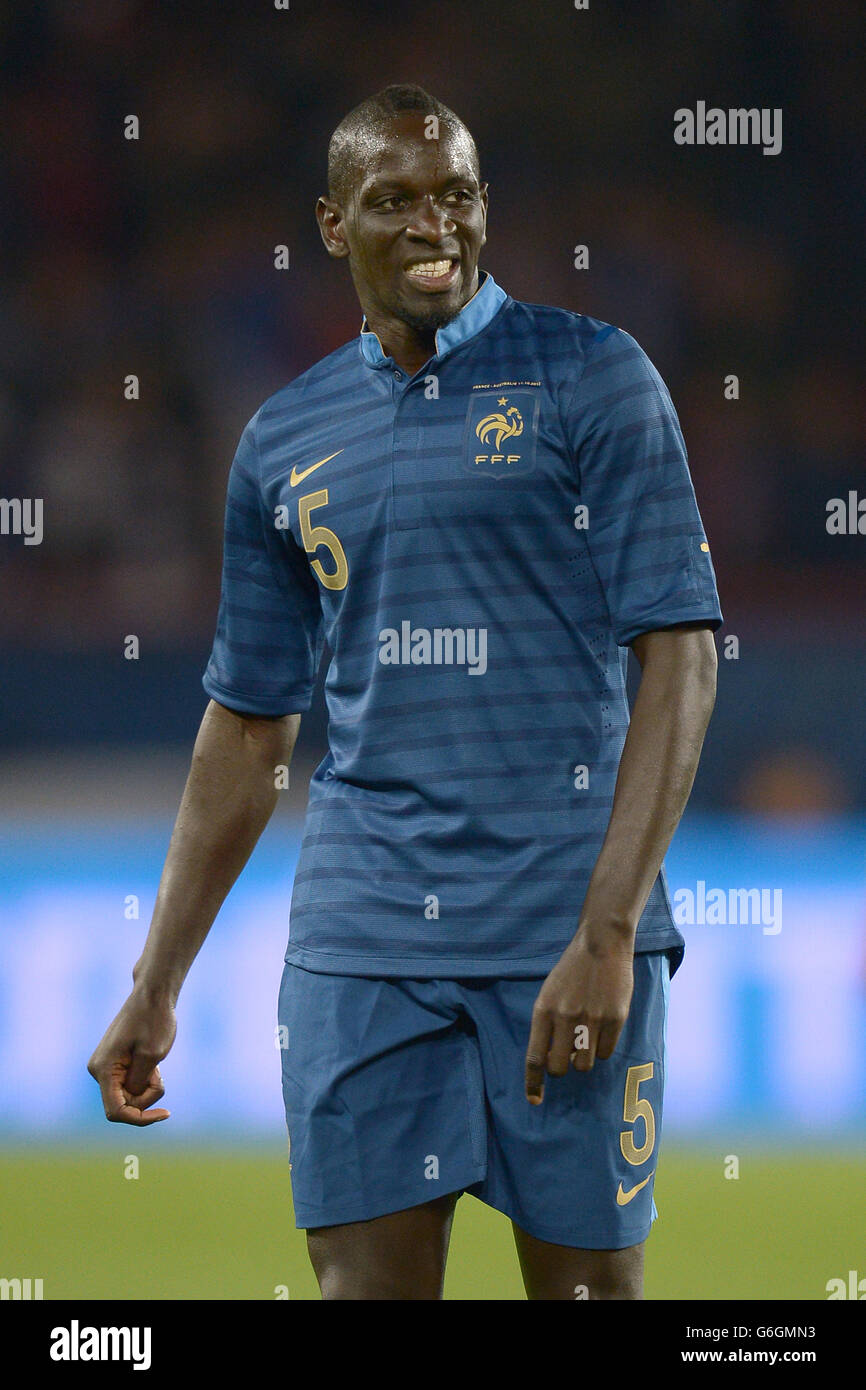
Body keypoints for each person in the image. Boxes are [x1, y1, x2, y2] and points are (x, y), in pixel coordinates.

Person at [88, 84, 721, 1301]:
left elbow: (681, 656)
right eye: (395, 202)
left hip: (559, 922)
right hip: (361, 934)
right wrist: (154, 982)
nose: (435, 225)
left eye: (457, 197)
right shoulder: (283, 436)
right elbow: (248, 721)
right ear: (332, 226)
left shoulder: (593, 378)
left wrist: (606, 933)